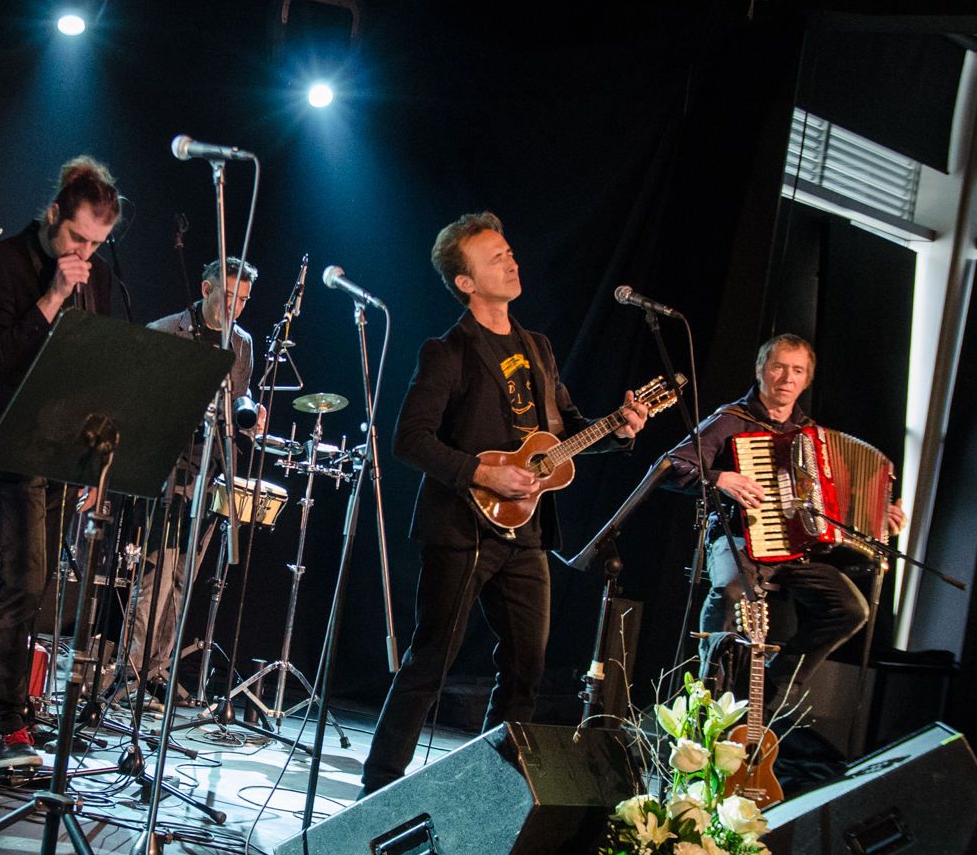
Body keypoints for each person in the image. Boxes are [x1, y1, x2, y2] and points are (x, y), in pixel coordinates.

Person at [361, 213, 648, 795]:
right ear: (466, 282)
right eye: (496, 258)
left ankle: (487, 792)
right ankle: (378, 787)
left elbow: (568, 431)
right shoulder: (448, 352)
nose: (511, 261)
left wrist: (618, 430)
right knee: (430, 662)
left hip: (527, 532)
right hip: (462, 527)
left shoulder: (538, 348)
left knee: (526, 669)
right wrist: (484, 471)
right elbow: (408, 439)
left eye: (510, 252)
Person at [0, 158, 121, 770]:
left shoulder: (97, 277)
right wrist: (52, 297)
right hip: (9, 440)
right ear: (53, 215)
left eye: (96, 243)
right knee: (23, 581)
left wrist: (93, 458)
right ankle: (8, 724)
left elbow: (93, 364)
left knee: (29, 586)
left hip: (60, 446)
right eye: (77, 237)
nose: (84, 252)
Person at [664, 333, 906, 712]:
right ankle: (705, 702)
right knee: (730, 591)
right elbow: (672, 465)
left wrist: (879, 519)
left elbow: (838, 506)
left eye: (798, 371)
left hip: (791, 551)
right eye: (779, 367)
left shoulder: (812, 437)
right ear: (760, 370)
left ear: (806, 380)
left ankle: (769, 697)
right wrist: (721, 478)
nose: (787, 378)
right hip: (738, 539)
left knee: (849, 609)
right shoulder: (731, 420)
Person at [125, 256, 260, 705]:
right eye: (230, 296)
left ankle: (158, 670)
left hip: (210, 472)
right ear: (206, 289)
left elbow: (240, 398)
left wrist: (250, 415)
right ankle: (132, 671)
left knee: (184, 577)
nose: (236, 307)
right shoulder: (166, 331)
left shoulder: (242, 343)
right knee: (158, 575)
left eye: (244, 300)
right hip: (169, 469)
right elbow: (137, 400)